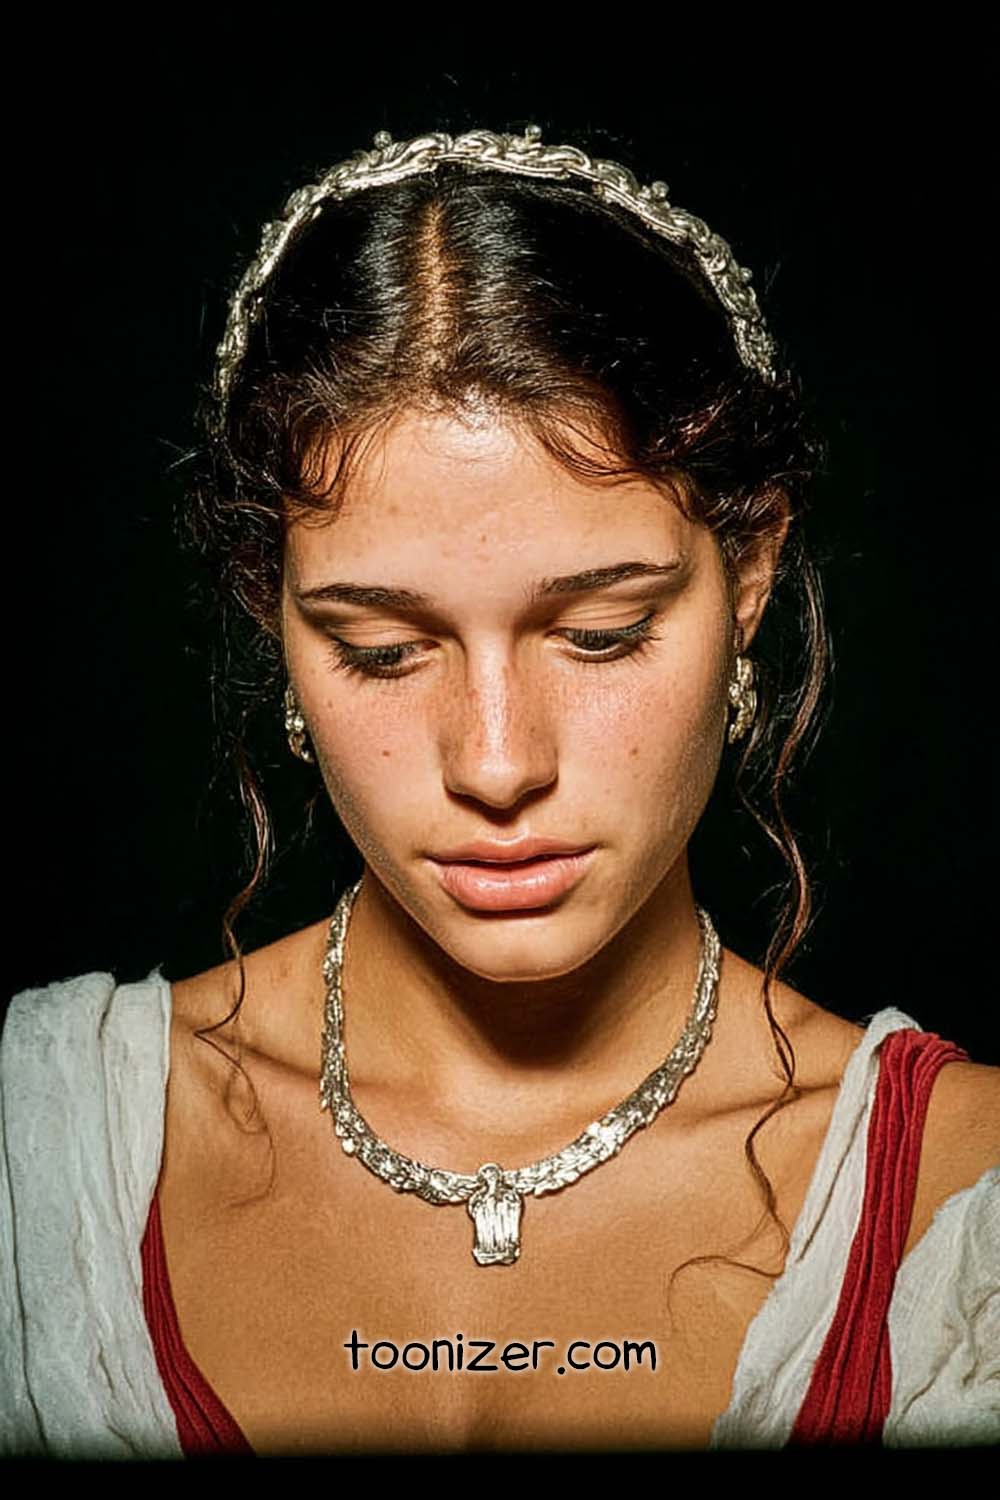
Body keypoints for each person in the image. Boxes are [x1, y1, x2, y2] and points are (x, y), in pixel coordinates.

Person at [2, 124, 997, 1459]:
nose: (495, 763)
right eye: (381, 649)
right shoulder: (37, 1145)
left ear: (751, 573)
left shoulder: (967, 1200)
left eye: (601, 634)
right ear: (269, 611)